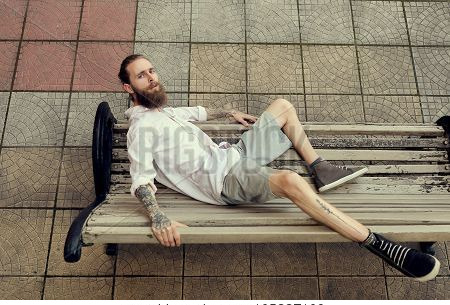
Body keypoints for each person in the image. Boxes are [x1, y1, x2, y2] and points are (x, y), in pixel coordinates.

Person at [118, 54, 440, 282]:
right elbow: (142, 179)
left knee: (283, 107)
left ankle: (321, 168)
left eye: (152, 71)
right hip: (224, 179)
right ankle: (377, 244)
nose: (152, 78)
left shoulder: (162, 110)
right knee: (289, 179)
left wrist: (230, 112)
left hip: (232, 155)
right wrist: (157, 216)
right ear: (128, 88)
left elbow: (198, 113)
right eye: (142, 76)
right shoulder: (141, 130)